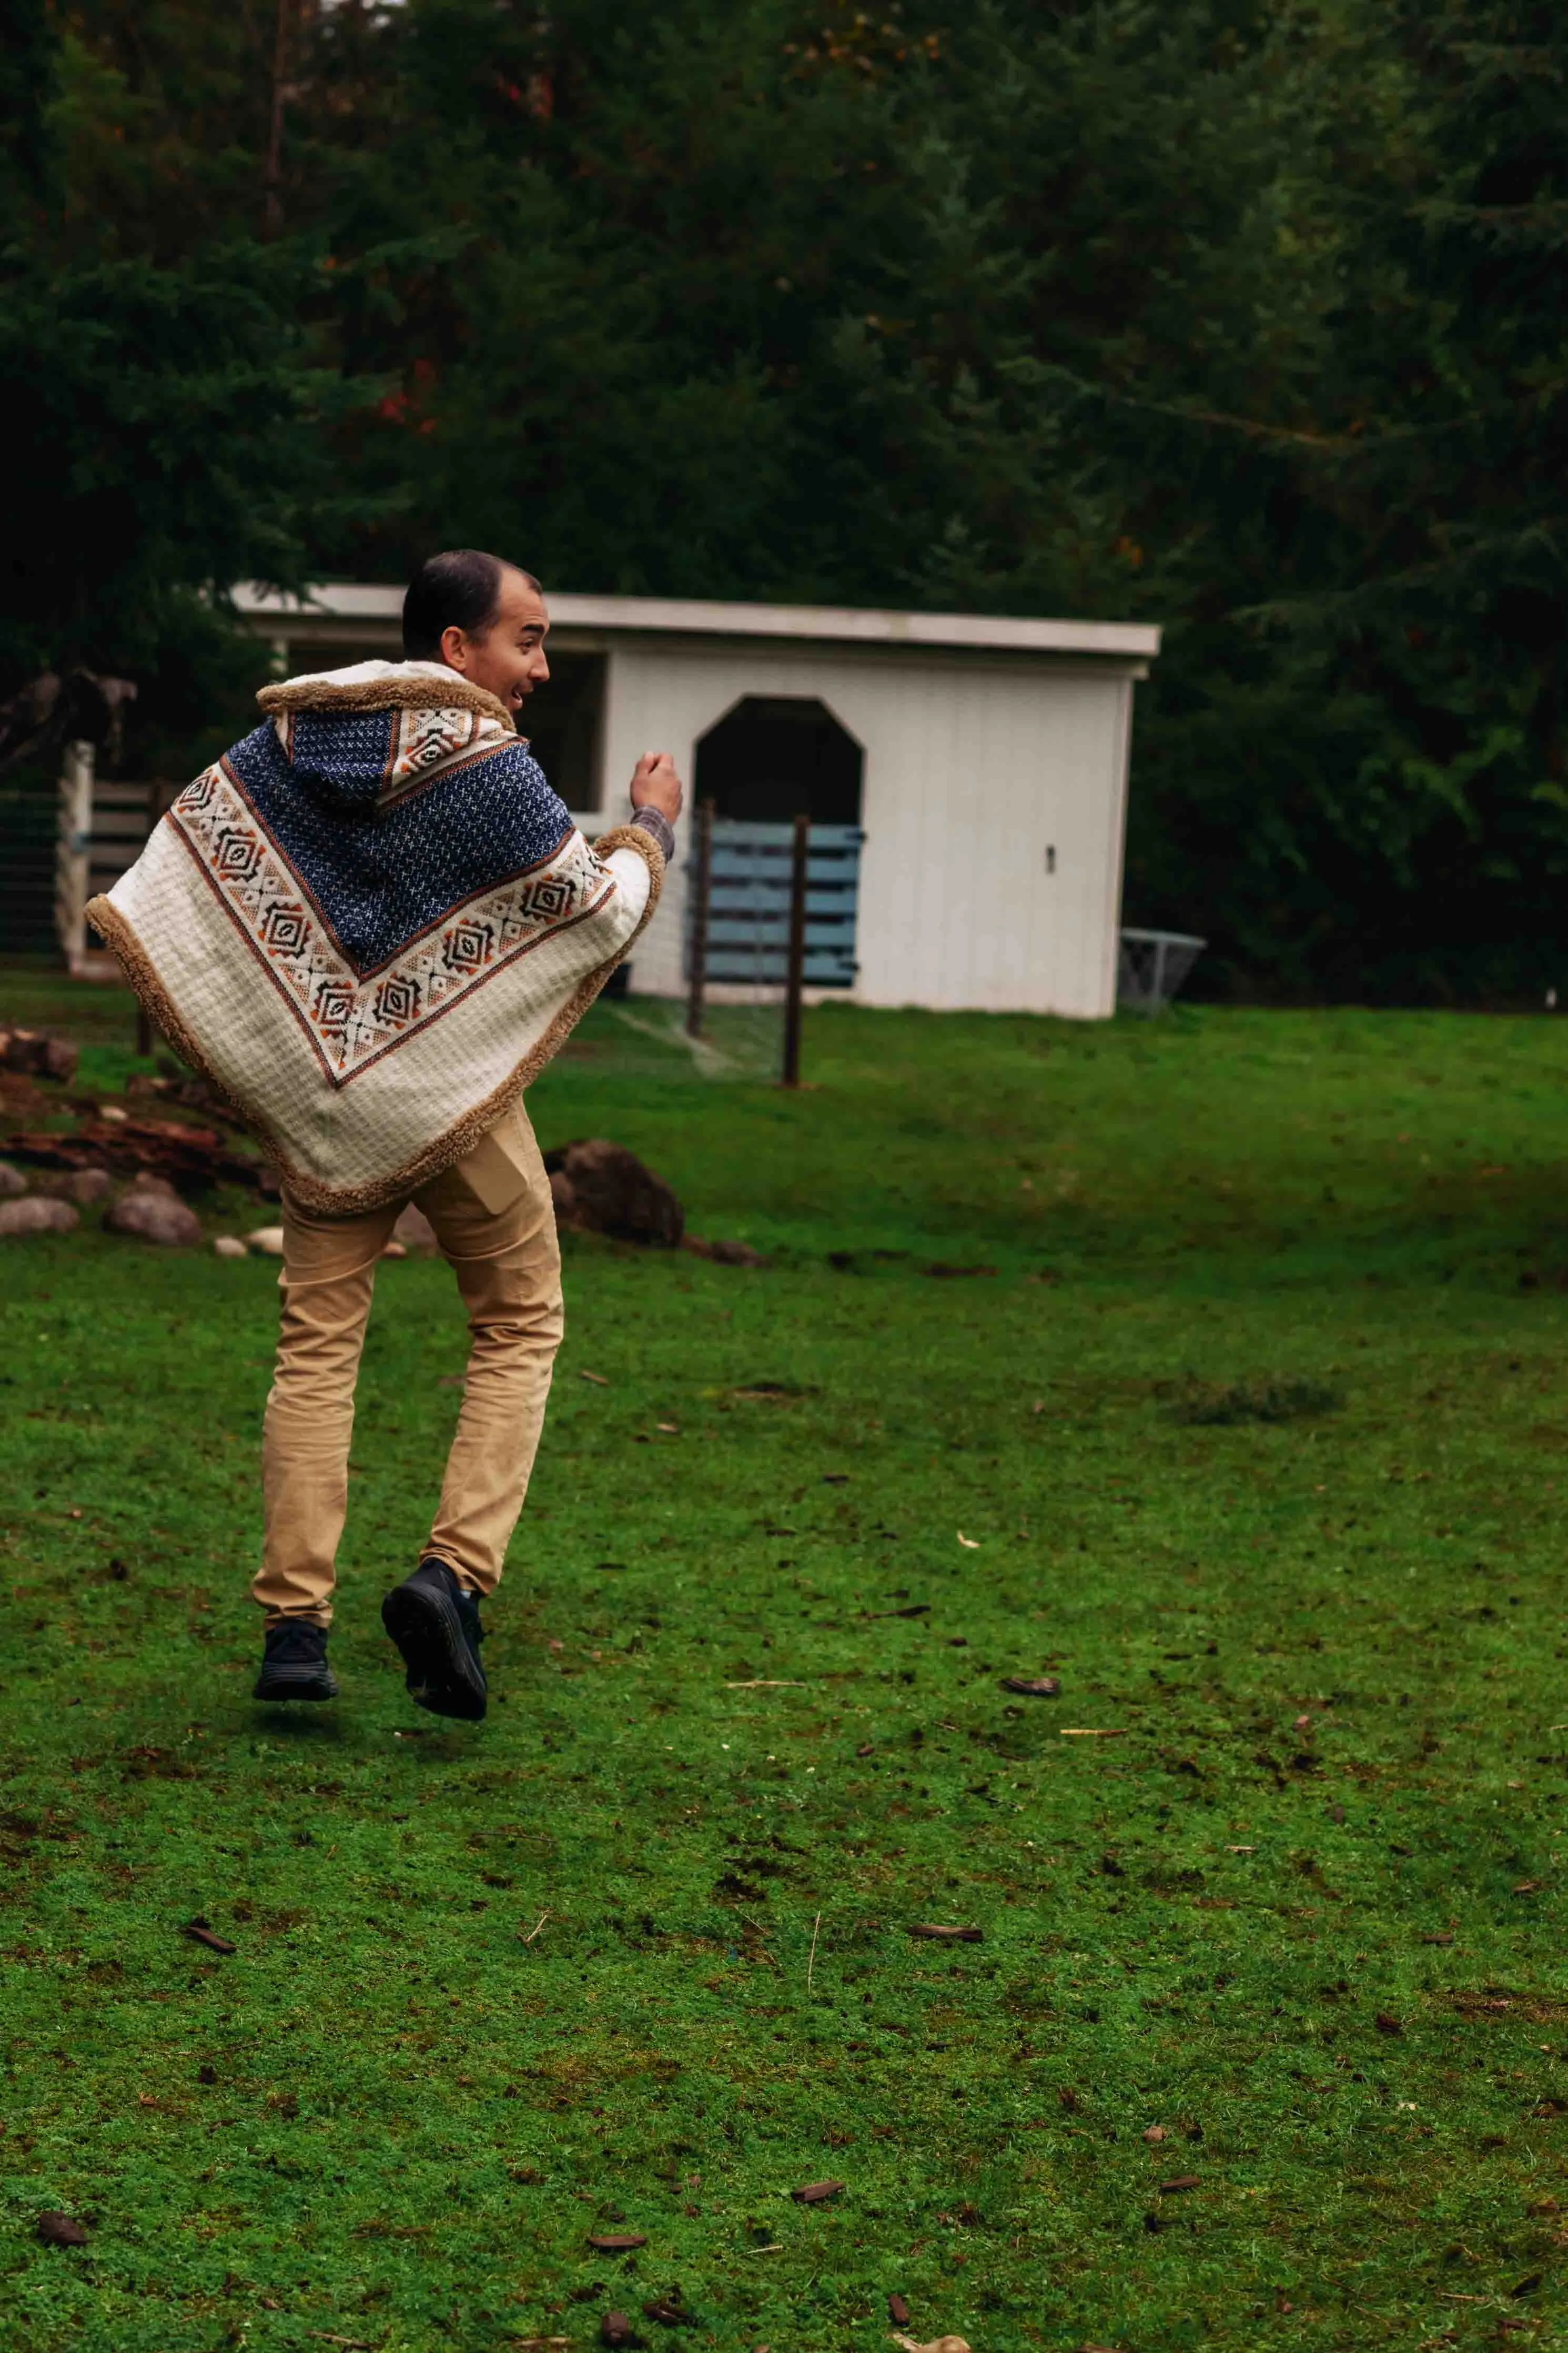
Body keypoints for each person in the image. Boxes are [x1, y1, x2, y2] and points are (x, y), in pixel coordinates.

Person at [88, 551, 682, 1720]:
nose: (539, 667)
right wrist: (648, 826)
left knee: (316, 1346)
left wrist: (278, 1035)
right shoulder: (490, 767)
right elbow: (593, 911)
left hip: (321, 1096)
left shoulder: (296, 739)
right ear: (456, 648)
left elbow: (195, 852)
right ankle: (451, 1577)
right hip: (444, 1094)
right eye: (526, 639)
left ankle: (293, 1631)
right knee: (521, 1316)